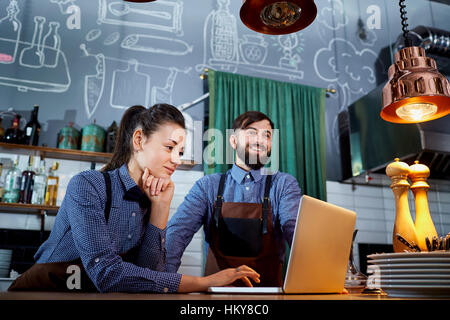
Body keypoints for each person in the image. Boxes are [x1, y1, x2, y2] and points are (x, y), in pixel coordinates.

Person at [8, 104, 259, 293]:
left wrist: (161, 207)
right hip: (42, 294)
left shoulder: (152, 197)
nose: (176, 160)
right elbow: (106, 273)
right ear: (139, 140)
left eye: (180, 152)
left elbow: (150, 275)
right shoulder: (87, 185)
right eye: (169, 147)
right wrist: (204, 282)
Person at [166, 111, 302, 286]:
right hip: (216, 297)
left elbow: (295, 230)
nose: (260, 140)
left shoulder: (283, 184)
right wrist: (162, 282)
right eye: (251, 132)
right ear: (233, 140)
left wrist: (319, 278)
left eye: (266, 135)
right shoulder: (207, 186)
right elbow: (177, 234)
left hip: (271, 295)